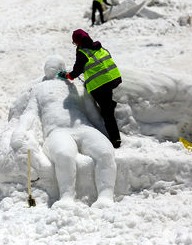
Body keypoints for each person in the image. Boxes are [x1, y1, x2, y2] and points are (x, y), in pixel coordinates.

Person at [11, 55, 116, 207]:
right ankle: (67, 197)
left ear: (62, 68)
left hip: (83, 127)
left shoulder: (76, 85)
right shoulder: (39, 89)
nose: (51, 69)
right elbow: (30, 113)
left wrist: (107, 133)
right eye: (49, 67)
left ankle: (106, 196)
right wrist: (20, 131)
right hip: (57, 131)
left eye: (54, 66)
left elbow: (91, 110)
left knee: (105, 151)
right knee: (64, 154)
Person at [58, 29, 122, 148]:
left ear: (78, 41)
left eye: (74, 42)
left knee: (107, 113)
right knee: (107, 107)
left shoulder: (83, 52)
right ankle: (110, 106)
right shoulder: (99, 47)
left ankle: (116, 140)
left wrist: (66, 75)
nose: (75, 45)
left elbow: (76, 72)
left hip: (100, 85)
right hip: (112, 79)